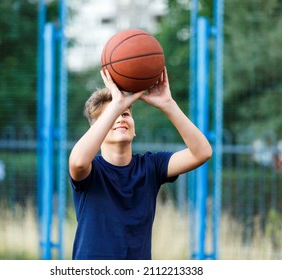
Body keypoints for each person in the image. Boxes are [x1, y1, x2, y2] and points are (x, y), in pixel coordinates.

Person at [69, 67, 212, 260]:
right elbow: (77, 162)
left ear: (134, 128)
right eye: (112, 114)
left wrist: (168, 104)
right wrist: (117, 104)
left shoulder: (151, 167)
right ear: (97, 132)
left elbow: (202, 153)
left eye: (126, 114)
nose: (120, 118)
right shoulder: (91, 171)